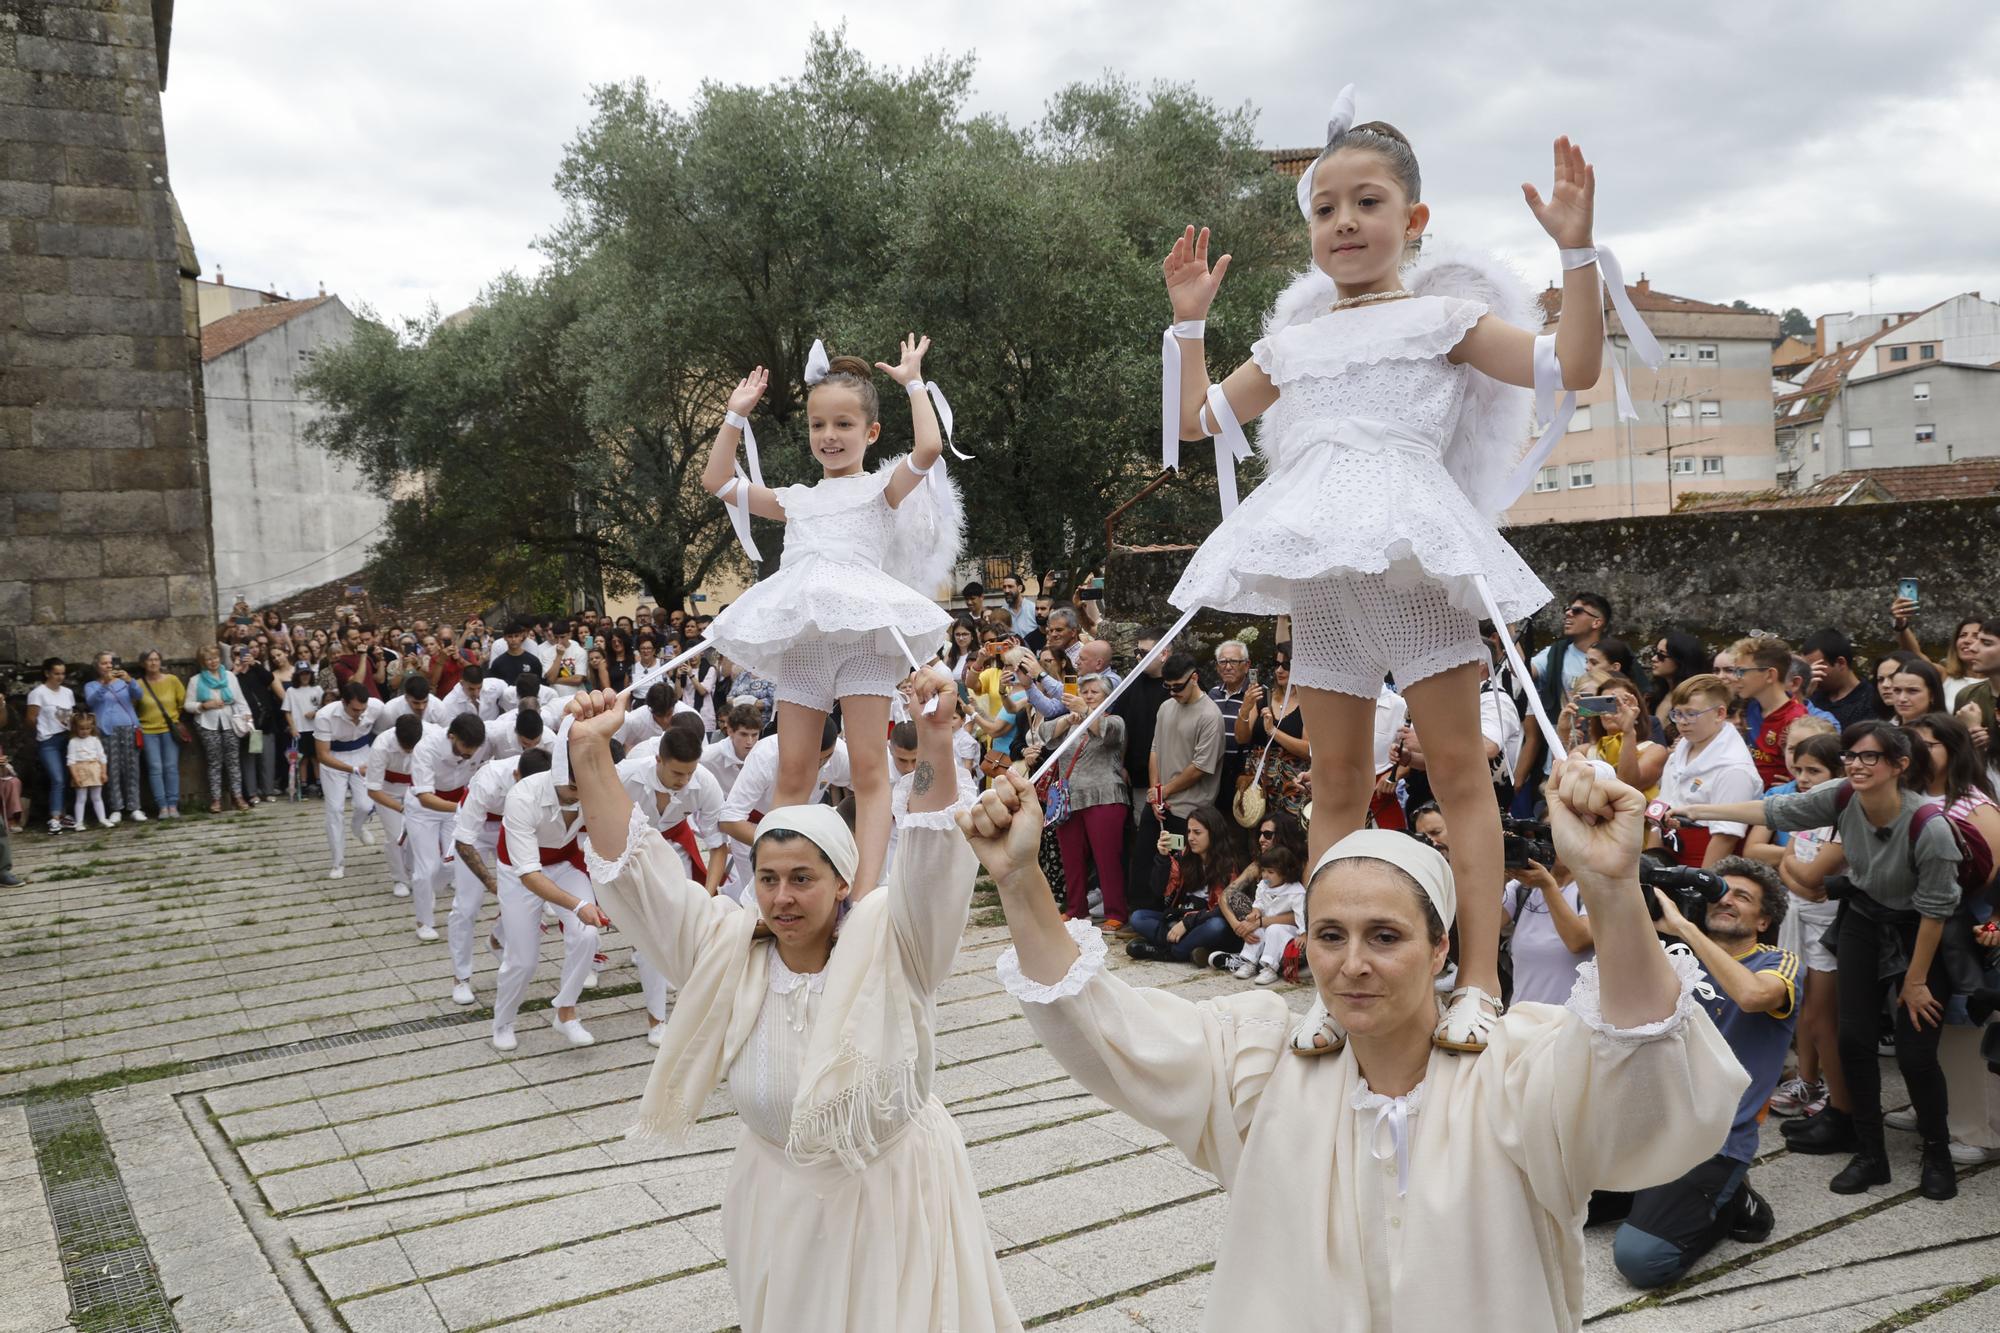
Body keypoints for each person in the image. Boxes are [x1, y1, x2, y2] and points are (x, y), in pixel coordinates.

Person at [973, 750, 1743, 1331]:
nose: (1354, 963)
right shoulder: (1257, 1067)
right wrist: (1018, 882)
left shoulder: (1516, 1070)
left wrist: (1611, 886)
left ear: (1443, 948)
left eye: (1386, 935)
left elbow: (1645, 1081)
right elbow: (1107, 1030)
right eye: (1331, 935)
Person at [1158, 112, 1631, 1055]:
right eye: (1324, 206)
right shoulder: (1293, 344)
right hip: (1327, 577)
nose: (1343, 221)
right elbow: (1199, 420)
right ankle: (1339, 982)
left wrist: (1578, 256)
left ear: (1414, 218)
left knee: (1460, 774)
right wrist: (1188, 322)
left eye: (1366, 202)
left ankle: (1481, 977)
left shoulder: (1443, 319)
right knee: (1332, 782)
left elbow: (1570, 367)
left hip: (1416, 561)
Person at [568, 678, 1020, 1332]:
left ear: (843, 881)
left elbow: (930, 853)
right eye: (770, 877)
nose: (781, 896)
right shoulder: (725, 946)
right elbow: (644, 878)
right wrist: (589, 754)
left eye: (802, 878)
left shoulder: (895, 942)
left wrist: (936, 740)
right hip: (775, 1193)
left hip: (891, 1192)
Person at [700, 339, 957, 899]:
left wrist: (913, 382)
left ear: (870, 433)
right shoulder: (795, 497)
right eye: (819, 425)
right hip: (805, 644)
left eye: (844, 423)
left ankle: (865, 892)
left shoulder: (879, 488)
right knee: (793, 774)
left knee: (868, 771)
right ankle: (779, 885)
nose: (829, 436)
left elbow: (931, 447)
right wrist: (734, 416)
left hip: (864, 640)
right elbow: (718, 481)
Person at [1672, 720, 1965, 1200]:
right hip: (1863, 918)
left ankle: (1938, 1154)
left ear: (1900, 765)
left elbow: (1936, 911)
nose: (1857, 765)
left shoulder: (1930, 827)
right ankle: (1870, 1154)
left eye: (1870, 757)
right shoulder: (1844, 795)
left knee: (1915, 1051)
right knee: (1853, 1038)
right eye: (1851, 755)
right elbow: (1776, 808)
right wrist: (1695, 809)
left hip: (1920, 932)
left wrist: (1915, 982)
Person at [1610, 856, 1796, 1287]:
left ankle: (1731, 1203)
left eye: (1741, 897)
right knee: (1564, 1203)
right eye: (1718, 892)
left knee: (1641, 1261)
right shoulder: (1677, 953)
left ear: (1764, 920)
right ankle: (1664, 1193)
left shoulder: (1777, 963)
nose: (1724, 900)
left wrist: (1686, 928)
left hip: (1715, 1139)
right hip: (1648, 1123)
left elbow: (1751, 997)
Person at [1747, 732, 1847, 1124]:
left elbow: (1810, 877)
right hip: (1798, 916)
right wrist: (1794, 873)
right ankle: (1807, 1080)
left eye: (1814, 771)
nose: (1802, 778)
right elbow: (1794, 867)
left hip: (1827, 929)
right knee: (1801, 1005)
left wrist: (1792, 872)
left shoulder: (1841, 820)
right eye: (1800, 769)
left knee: (1822, 1018)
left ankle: (1842, 1103)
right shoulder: (1808, 815)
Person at [1033, 675, 1129, 929]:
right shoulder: (1071, 722)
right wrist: (1069, 717)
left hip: (1104, 796)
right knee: (1070, 857)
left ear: (1107, 697)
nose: (1087, 695)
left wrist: (1086, 712)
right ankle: (1076, 909)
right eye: (1083, 691)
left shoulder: (1114, 720)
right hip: (1068, 799)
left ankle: (1116, 912)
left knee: (1107, 858)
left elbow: (1108, 735)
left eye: (1094, 692)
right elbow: (1043, 734)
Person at [459, 748, 538, 1051]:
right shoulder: (489, 781)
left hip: (517, 830)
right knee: (467, 906)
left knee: (526, 897)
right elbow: (464, 840)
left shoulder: (547, 773)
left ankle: (496, 939)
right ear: (517, 776)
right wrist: (491, 882)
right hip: (477, 832)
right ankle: (461, 977)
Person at [1653, 675, 1762, 868]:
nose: (1682, 722)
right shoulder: (1680, 751)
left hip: (1705, 863)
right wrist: (1653, 864)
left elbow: (1725, 837)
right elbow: (1659, 811)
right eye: (1677, 713)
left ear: (1720, 713)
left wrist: (1702, 886)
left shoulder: (1734, 768)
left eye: (1691, 713)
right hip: (1669, 854)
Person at [407, 712, 488, 954]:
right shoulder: (426, 748)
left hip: (456, 807)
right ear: (451, 736)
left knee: (454, 863)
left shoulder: (480, 743)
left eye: (474, 748)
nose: (470, 753)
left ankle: (427, 890)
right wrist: (465, 808)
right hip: (423, 809)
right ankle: (423, 920)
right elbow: (425, 798)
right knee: (426, 869)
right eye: (465, 747)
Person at [1126, 804, 1243, 963]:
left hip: (1205, 920)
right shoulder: (1185, 856)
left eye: (1197, 832)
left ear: (1213, 833)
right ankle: (1191, 949)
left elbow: (1223, 909)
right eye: (1188, 831)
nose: (1191, 838)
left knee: (1217, 926)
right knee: (1138, 917)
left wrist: (1187, 924)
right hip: (1180, 916)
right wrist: (1162, 858)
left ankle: (1169, 952)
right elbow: (1158, 890)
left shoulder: (1229, 864)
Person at [314, 682, 385, 879]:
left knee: (366, 804)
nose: (360, 713)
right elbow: (322, 755)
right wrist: (353, 769)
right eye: (355, 709)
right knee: (335, 809)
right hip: (334, 759)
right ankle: (338, 863)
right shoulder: (325, 716)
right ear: (343, 702)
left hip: (363, 754)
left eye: (363, 709)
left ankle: (358, 827)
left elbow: (385, 732)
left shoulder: (376, 707)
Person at [1215, 840, 1306, 985]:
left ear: (1285, 873)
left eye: (1271, 872)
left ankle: (1270, 967)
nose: (1265, 876)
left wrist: (1303, 934)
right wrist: (1256, 911)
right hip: (1266, 924)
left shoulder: (1295, 891)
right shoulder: (1263, 886)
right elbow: (1259, 902)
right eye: (1263, 870)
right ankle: (1249, 961)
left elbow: (1301, 915)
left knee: (1274, 930)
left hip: (1287, 931)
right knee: (1255, 927)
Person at [362, 715, 425, 901]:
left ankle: (414, 873)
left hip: (415, 790)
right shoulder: (381, 746)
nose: (409, 751)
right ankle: (399, 879)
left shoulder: (430, 736)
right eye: (406, 747)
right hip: (387, 792)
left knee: (417, 834)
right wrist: (402, 809)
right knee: (395, 836)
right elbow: (373, 790)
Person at [1729, 637, 1806, 788]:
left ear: (1770, 675)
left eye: (1741, 672)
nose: (1734, 678)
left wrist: (1792, 786)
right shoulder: (1748, 706)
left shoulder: (1795, 721)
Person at [186, 645, 250, 814]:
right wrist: (204, 705)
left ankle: (238, 796)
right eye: (208, 659)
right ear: (203, 662)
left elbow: (240, 700)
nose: (213, 662)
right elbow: (188, 705)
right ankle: (216, 800)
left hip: (230, 721)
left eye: (215, 658)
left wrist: (247, 716)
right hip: (207, 723)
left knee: (233, 761)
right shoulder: (196, 680)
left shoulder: (229, 676)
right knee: (214, 762)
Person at [83, 653, 143, 823]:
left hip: (129, 728)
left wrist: (130, 680)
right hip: (106, 730)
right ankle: (116, 808)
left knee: (132, 768)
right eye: (104, 663)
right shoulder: (91, 685)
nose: (108, 666)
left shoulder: (124, 683)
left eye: (110, 663)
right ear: (97, 666)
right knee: (111, 769)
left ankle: (135, 807)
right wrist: (105, 685)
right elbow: (91, 701)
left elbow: (139, 695)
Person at [132, 649, 187, 818]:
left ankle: (173, 804)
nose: (153, 663)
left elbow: (182, 701)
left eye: (156, 659)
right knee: (155, 768)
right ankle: (162, 806)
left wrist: (175, 718)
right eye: (149, 660)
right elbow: (133, 707)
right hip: (148, 731)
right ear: (143, 663)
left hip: (169, 730)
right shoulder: (138, 684)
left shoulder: (172, 680)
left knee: (171, 767)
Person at [1799, 628, 1885, 731]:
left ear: (1840, 663)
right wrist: (1802, 695)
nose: (1811, 674)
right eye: (1808, 669)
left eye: (1817, 668)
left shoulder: (1870, 700)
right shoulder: (1812, 694)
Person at [26, 658, 75, 833]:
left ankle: (63, 814)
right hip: (48, 740)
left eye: (62, 673)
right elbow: (31, 718)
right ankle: (54, 817)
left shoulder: (68, 692)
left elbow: (71, 715)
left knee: (67, 778)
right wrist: (42, 731)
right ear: (47, 673)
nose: (60, 677)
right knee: (57, 778)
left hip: (66, 738)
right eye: (56, 673)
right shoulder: (38, 693)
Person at [1646, 629, 1706, 741]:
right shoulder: (1656, 696)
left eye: (1661, 655)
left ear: (1680, 660)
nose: (1654, 659)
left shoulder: (1696, 699)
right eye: (1655, 653)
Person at [701, 701, 765, 797]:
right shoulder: (707, 757)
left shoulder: (766, 756)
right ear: (730, 731)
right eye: (744, 734)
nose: (750, 741)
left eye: (755, 734)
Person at [65, 711, 110, 829]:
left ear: (92, 727)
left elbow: (102, 757)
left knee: (97, 797)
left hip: (95, 769)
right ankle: (79, 822)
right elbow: (71, 761)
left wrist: (104, 772)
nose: (85, 731)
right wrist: (75, 776)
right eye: (81, 728)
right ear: (76, 728)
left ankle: (102, 819)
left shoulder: (95, 740)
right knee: (81, 798)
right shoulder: (73, 742)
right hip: (80, 770)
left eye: (87, 728)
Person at [1884, 655, 1948, 726]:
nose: (1902, 698)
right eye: (1897, 690)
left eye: (1912, 691)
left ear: (1932, 695)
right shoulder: (1883, 733)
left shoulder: (1948, 734)